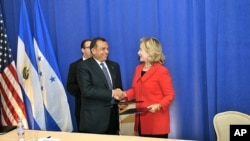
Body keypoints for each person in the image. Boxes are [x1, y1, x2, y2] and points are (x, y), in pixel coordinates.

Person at [122, 37, 175, 138]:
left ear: (150, 52)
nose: (138, 52)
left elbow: (170, 95)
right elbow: (135, 90)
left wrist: (159, 105)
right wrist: (124, 95)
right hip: (141, 121)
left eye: (141, 50)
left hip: (156, 122)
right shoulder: (138, 69)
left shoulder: (161, 71)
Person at [76, 37, 123, 135]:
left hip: (112, 119)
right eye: (103, 49)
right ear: (93, 50)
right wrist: (112, 93)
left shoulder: (114, 66)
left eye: (107, 49)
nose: (107, 52)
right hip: (94, 121)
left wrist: (121, 100)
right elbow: (87, 90)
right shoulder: (83, 66)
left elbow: (118, 88)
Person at [66, 39, 92, 131]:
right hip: (82, 108)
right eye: (89, 47)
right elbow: (70, 86)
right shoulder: (75, 66)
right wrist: (86, 90)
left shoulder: (101, 65)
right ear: (82, 50)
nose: (92, 49)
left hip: (100, 110)